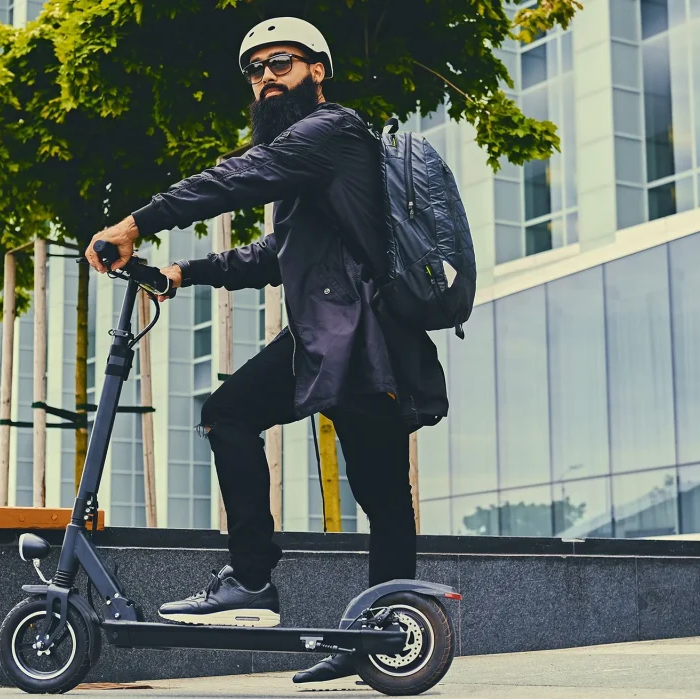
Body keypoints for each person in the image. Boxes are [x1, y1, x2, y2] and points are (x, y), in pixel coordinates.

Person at [84, 16, 447, 684]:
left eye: (280, 62)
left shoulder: (331, 131)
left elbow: (239, 176)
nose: (265, 78)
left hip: (357, 336)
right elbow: (275, 254)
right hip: (339, 338)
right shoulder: (313, 162)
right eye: (254, 70)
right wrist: (183, 273)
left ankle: (256, 582)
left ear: (317, 70)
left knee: (242, 418)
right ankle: (377, 633)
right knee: (380, 495)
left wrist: (136, 223)